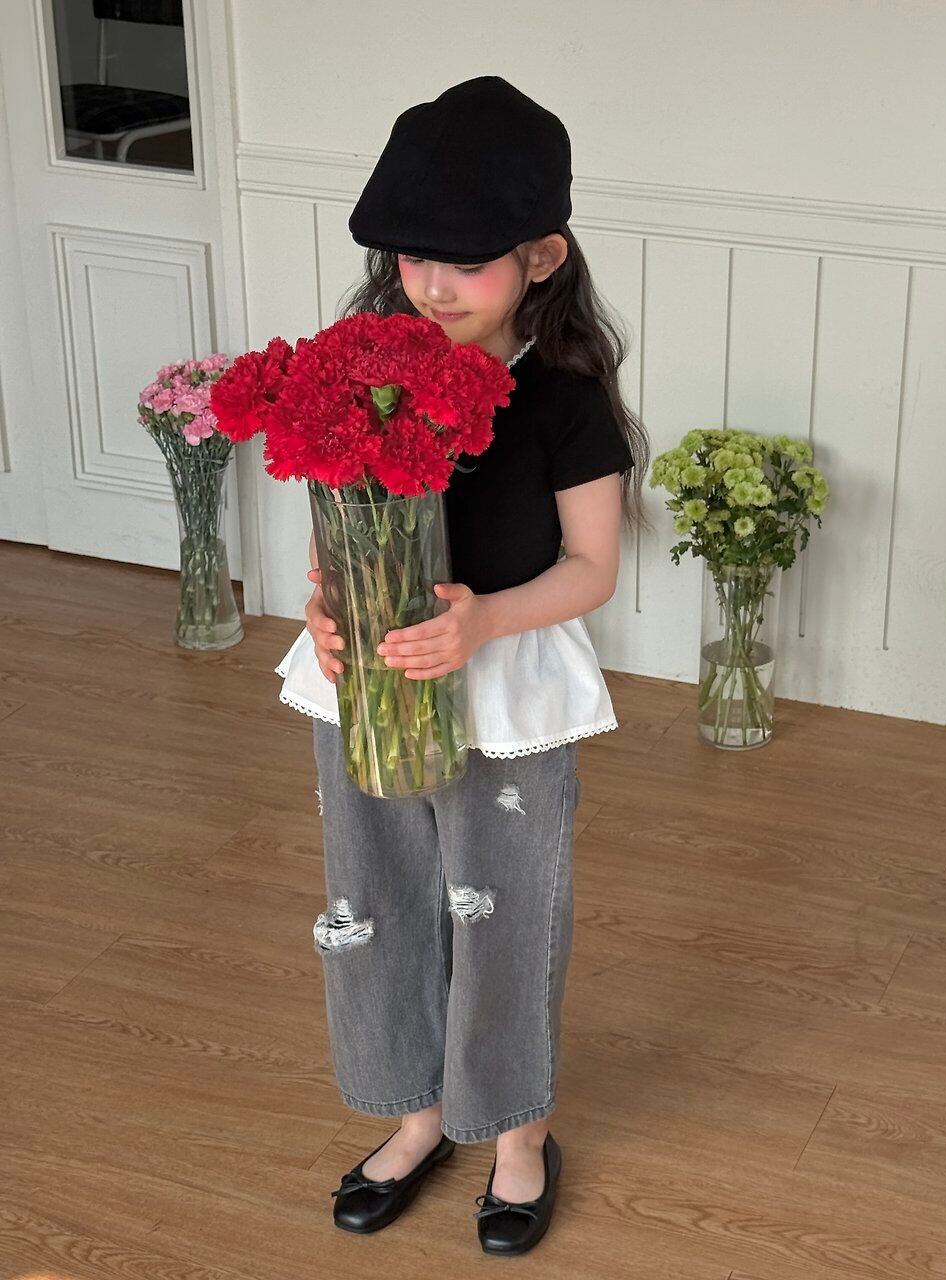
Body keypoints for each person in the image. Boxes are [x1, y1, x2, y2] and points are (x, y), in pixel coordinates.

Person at [271, 76, 651, 1256]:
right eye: (412, 255)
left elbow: (591, 568)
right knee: (377, 898)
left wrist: (482, 623)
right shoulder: (358, 369)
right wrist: (324, 603)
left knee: (504, 914)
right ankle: (417, 1113)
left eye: (467, 261)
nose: (431, 283)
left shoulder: (565, 402)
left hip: (505, 692)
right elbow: (333, 521)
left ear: (541, 256)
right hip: (369, 682)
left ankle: (515, 1131)